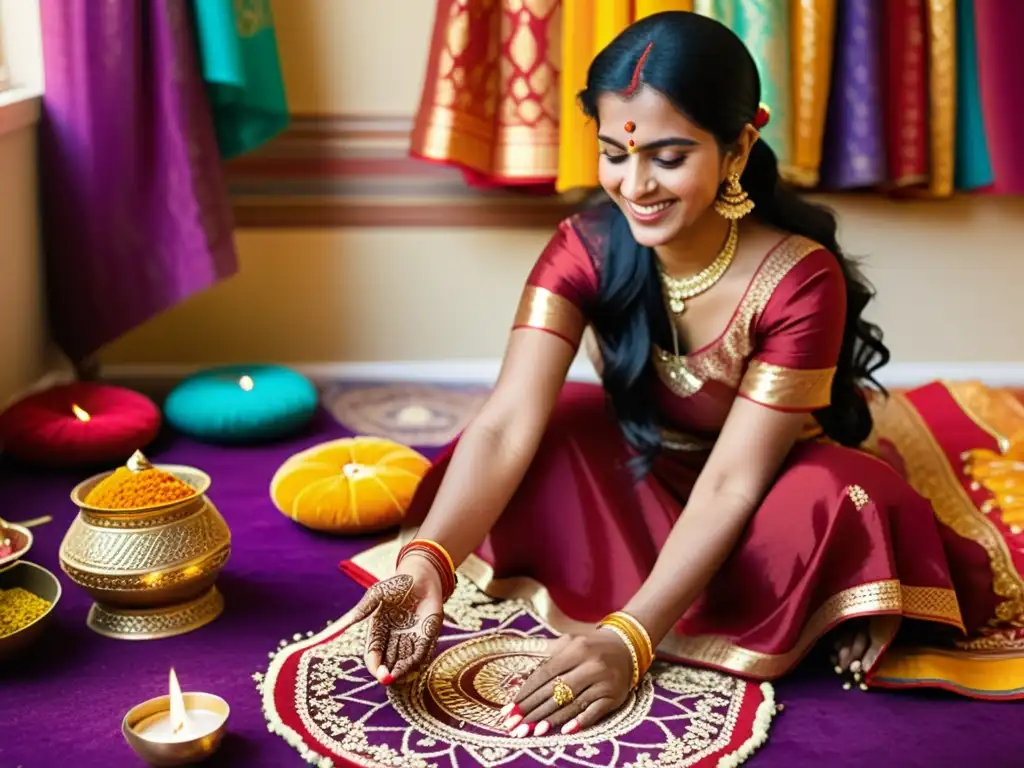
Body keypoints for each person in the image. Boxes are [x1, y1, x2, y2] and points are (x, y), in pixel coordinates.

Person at [341, 11, 973, 736]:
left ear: (739, 146)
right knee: (555, 425)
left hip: (761, 494)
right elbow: (506, 421)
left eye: (667, 158)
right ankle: (798, 605)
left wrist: (628, 639)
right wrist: (429, 564)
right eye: (614, 153)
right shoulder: (583, 247)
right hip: (640, 463)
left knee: (846, 496)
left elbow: (734, 481)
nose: (634, 184)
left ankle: (831, 591)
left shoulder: (800, 279)